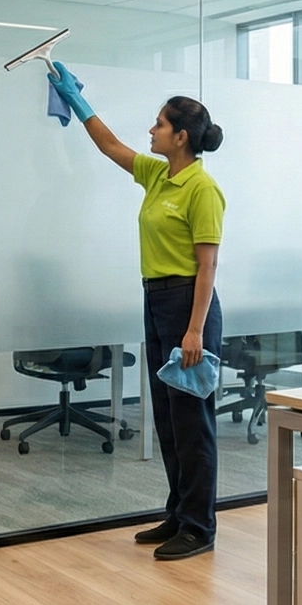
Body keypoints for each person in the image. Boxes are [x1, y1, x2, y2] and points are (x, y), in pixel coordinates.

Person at [49, 61, 226, 561]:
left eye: (159, 124)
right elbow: (109, 145)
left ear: (181, 136)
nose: (150, 130)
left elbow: (207, 267)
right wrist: (78, 101)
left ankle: (199, 526)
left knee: (193, 421)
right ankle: (178, 513)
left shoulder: (202, 189)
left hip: (190, 303)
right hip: (157, 300)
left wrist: (194, 332)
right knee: (168, 418)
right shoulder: (157, 175)